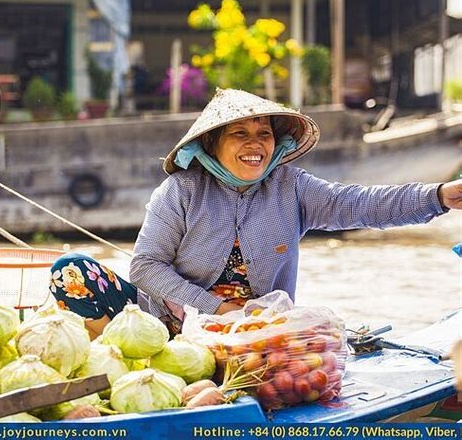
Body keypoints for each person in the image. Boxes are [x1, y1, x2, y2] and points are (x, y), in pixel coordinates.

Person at [50, 88, 462, 339]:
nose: (255, 144)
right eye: (240, 133)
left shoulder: (292, 187)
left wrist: (440, 195)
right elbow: (145, 267)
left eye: (264, 133)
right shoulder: (182, 189)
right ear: (212, 144)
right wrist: (216, 309)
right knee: (72, 270)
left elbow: (362, 203)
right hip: (169, 327)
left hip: (252, 333)